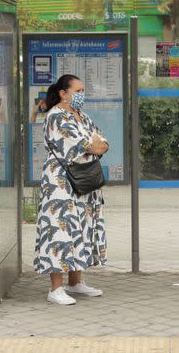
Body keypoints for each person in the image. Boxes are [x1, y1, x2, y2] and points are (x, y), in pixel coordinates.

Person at [33, 74, 109, 305]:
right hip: (61, 183)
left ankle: (75, 282)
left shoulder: (82, 116)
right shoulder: (56, 116)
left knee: (81, 228)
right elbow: (85, 145)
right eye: (77, 90)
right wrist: (94, 145)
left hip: (83, 181)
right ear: (63, 93)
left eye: (82, 90)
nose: (81, 94)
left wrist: (96, 145)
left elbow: (103, 143)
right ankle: (55, 288)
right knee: (59, 231)